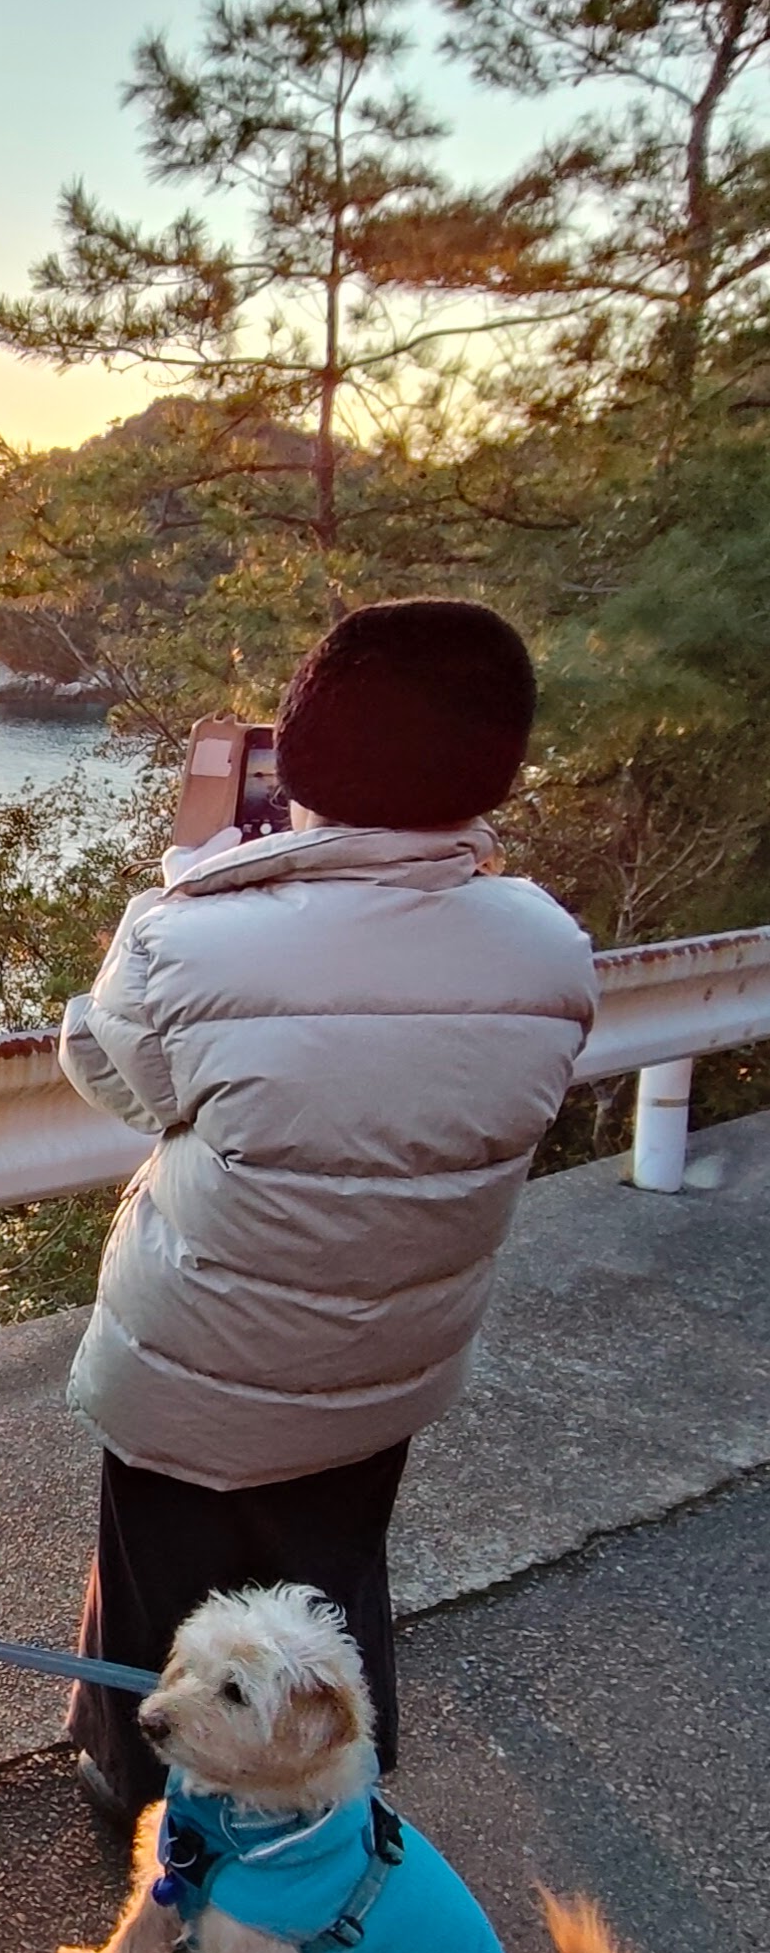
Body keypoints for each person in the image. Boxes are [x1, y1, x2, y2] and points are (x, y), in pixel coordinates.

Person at [56, 599, 599, 1816]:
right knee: (331, 1578)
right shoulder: (551, 949)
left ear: (294, 757)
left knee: (164, 1605)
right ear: (495, 760)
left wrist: (191, 872)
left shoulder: (188, 936)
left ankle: (144, 1793)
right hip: (385, 1371)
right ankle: (334, 1793)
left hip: (193, 1372)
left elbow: (119, 1080)